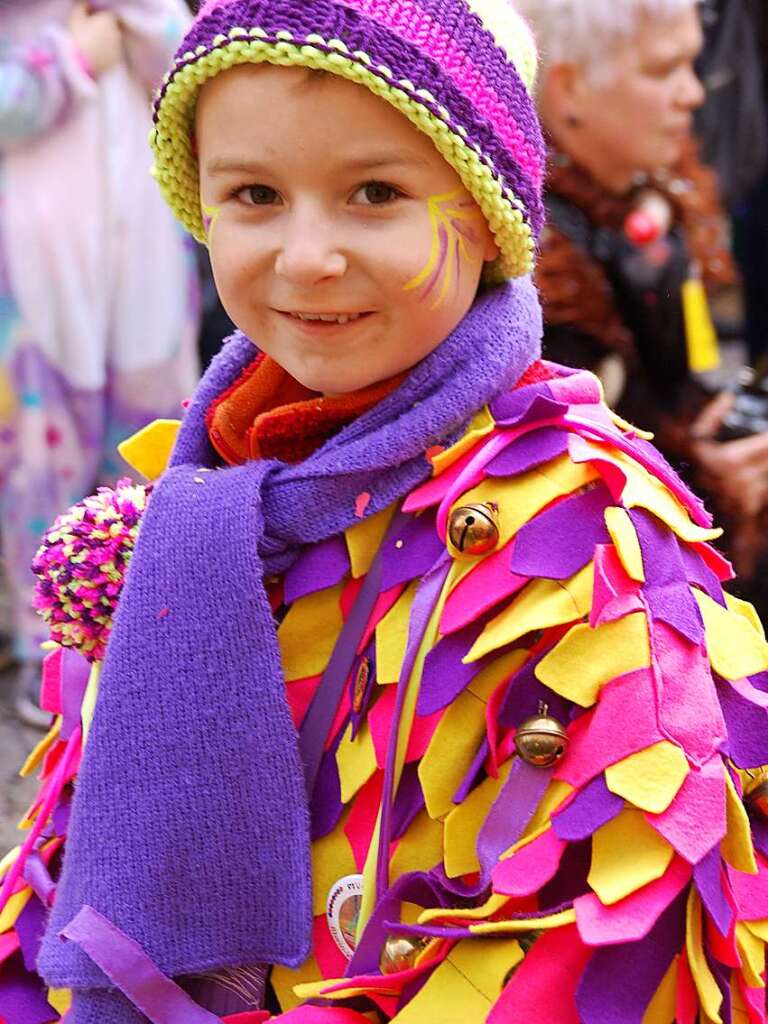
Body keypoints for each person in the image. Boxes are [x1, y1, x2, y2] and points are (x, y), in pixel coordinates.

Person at [1, 1, 768, 1022]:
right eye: (255, 194)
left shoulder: (583, 529)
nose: (306, 256)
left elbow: (608, 942)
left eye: (375, 192)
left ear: (489, 218)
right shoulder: (215, 486)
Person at [515, 0, 768, 586]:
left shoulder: (645, 193)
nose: (694, 94)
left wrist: (711, 424)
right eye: (663, 71)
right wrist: (708, 490)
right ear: (570, 88)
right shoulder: (535, 279)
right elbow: (569, 522)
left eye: (691, 65)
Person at [0, 0, 200, 725]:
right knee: (37, 451)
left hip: (140, 244)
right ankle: (43, 648)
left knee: (148, 437)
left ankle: (143, 630)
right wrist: (71, 60)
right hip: (32, 261)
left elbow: (191, 86)